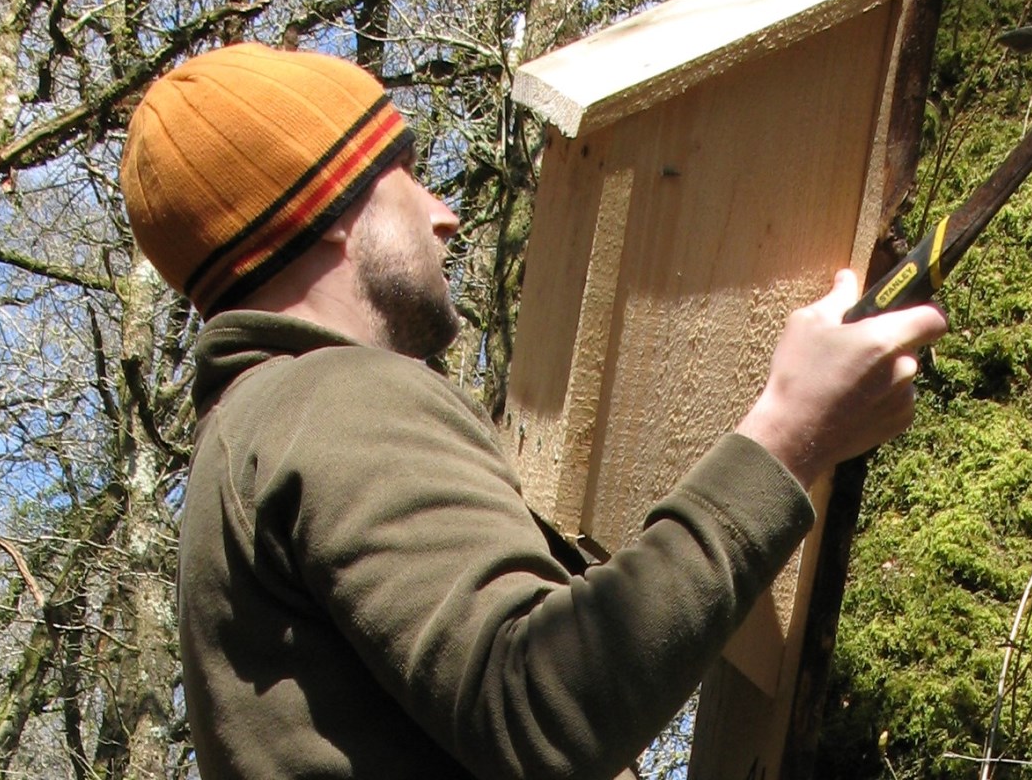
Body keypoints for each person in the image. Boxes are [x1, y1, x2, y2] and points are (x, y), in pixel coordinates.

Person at [119, 43, 948, 779]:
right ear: (330, 210)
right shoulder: (332, 394)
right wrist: (791, 434)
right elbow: (538, 703)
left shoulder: (249, 435)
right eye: (405, 171)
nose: (443, 212)